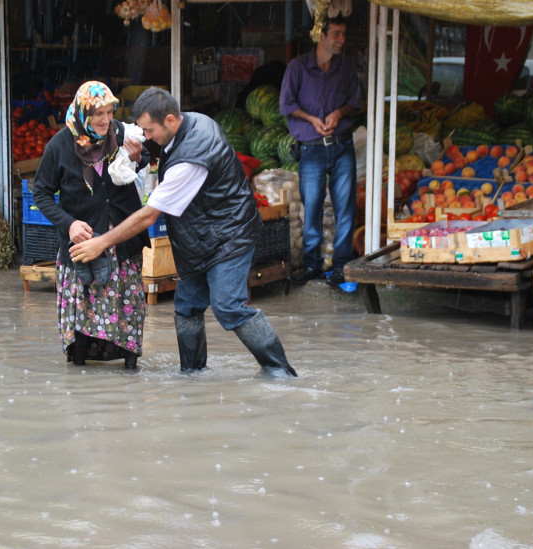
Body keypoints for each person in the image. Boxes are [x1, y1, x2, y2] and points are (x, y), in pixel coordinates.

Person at [70, 87, 297, 378]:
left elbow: (149, 215)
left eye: (149, 130)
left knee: (228, 307)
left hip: (230, 235)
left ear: (169, 120)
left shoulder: (192, 154)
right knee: (187, 304)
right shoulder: (191, 121)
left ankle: (280, 371)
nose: (146, 137)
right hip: (201, 235)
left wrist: (101, 243)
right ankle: (192, 374)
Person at [32, 81, 150, 370]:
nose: (105, 120)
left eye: (110, 112)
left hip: (122, 238)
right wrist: (69, 224)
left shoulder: (119, 133)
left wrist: (137, 157)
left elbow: (144, 159)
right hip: (82, 243)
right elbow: (41, 193)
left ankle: (130, 373)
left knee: (128, 310)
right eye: (98, 113)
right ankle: (81, 376)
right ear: (83, 112)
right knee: (83, 314)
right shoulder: (60, 145)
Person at [280, 14, 362, 287]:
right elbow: (286, 104)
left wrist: (338, 113)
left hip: (342, 146)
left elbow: (354, 101)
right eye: (337, 34)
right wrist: (312, 119)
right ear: (322, 36)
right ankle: (311, 265)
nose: (342, 40)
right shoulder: (298, 67)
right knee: (312, 205)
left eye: (343, 34)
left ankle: (341, 265)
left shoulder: (346, 66)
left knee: (345, 207)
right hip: (311, 149)